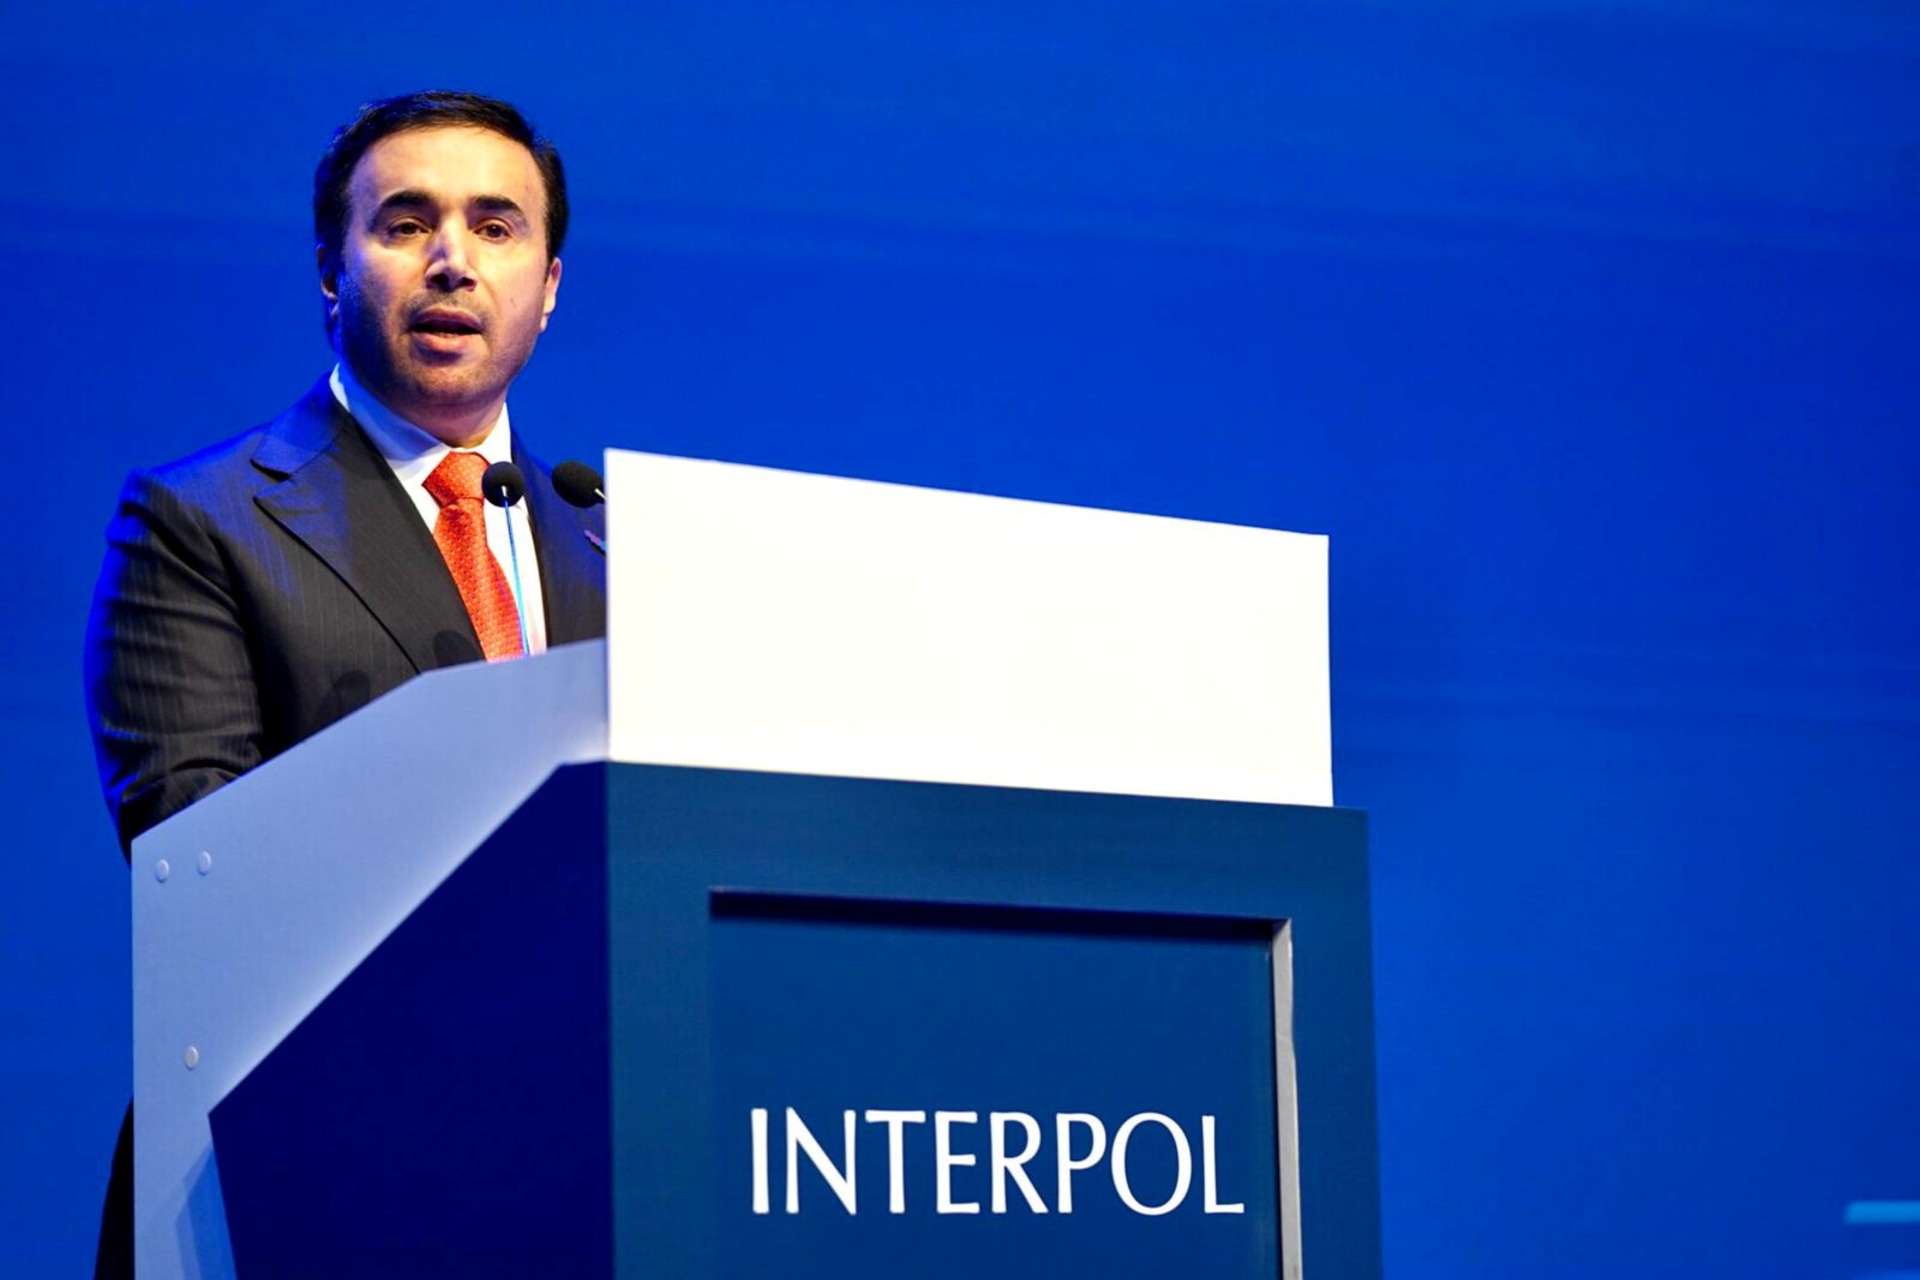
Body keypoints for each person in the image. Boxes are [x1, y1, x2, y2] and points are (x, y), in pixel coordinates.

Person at [82, 90, 606, 1278]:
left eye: (496, 226)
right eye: (406, 223)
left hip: (577, 1160)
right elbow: (197, 853)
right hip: (298, 1164)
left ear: (549, 286)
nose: (452, 260)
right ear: (331, 269)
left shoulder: (608, 541)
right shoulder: (199, 523)